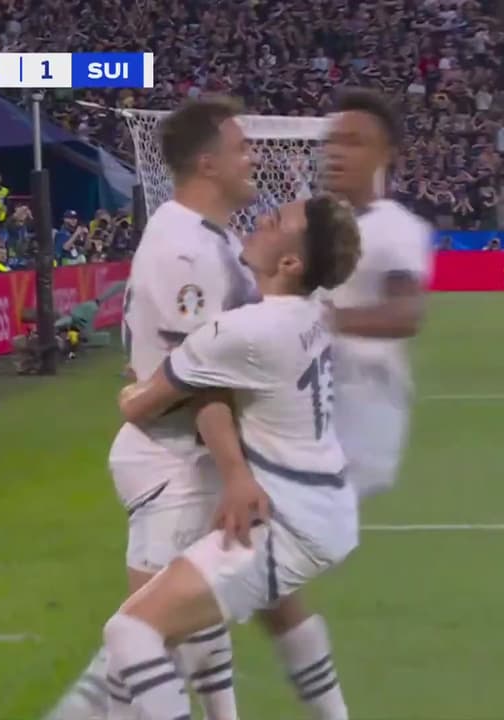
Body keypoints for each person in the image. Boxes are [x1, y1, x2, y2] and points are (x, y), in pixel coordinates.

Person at [102, 195, 362, 720]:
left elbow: (139, 405)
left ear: (290, 262)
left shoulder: (245, 332)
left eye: (278, 220)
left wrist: (138, 383)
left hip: (289, 523)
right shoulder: (312, 312)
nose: (262, 217)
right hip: (321, 506)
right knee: (234, 610)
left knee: (132, 633)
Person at [46, 97, 259, 720]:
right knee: (146, 645)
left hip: (192, 455)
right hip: (175, 462)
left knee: (196, 621)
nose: (252, 158)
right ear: (207, 163)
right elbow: (199, 376)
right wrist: (236, 472)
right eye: (241, 148)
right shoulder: (184, 248)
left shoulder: (216, 237)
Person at [254, 89, 434, 720]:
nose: (337, 152)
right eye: (333, 140)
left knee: (231, 562)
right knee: (253, 575)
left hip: (358, 427)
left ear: (389, 154)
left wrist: (322, 320)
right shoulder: (312, 224)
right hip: (302, 421)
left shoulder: (397, 228)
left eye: (355, 141)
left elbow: (405, 313)